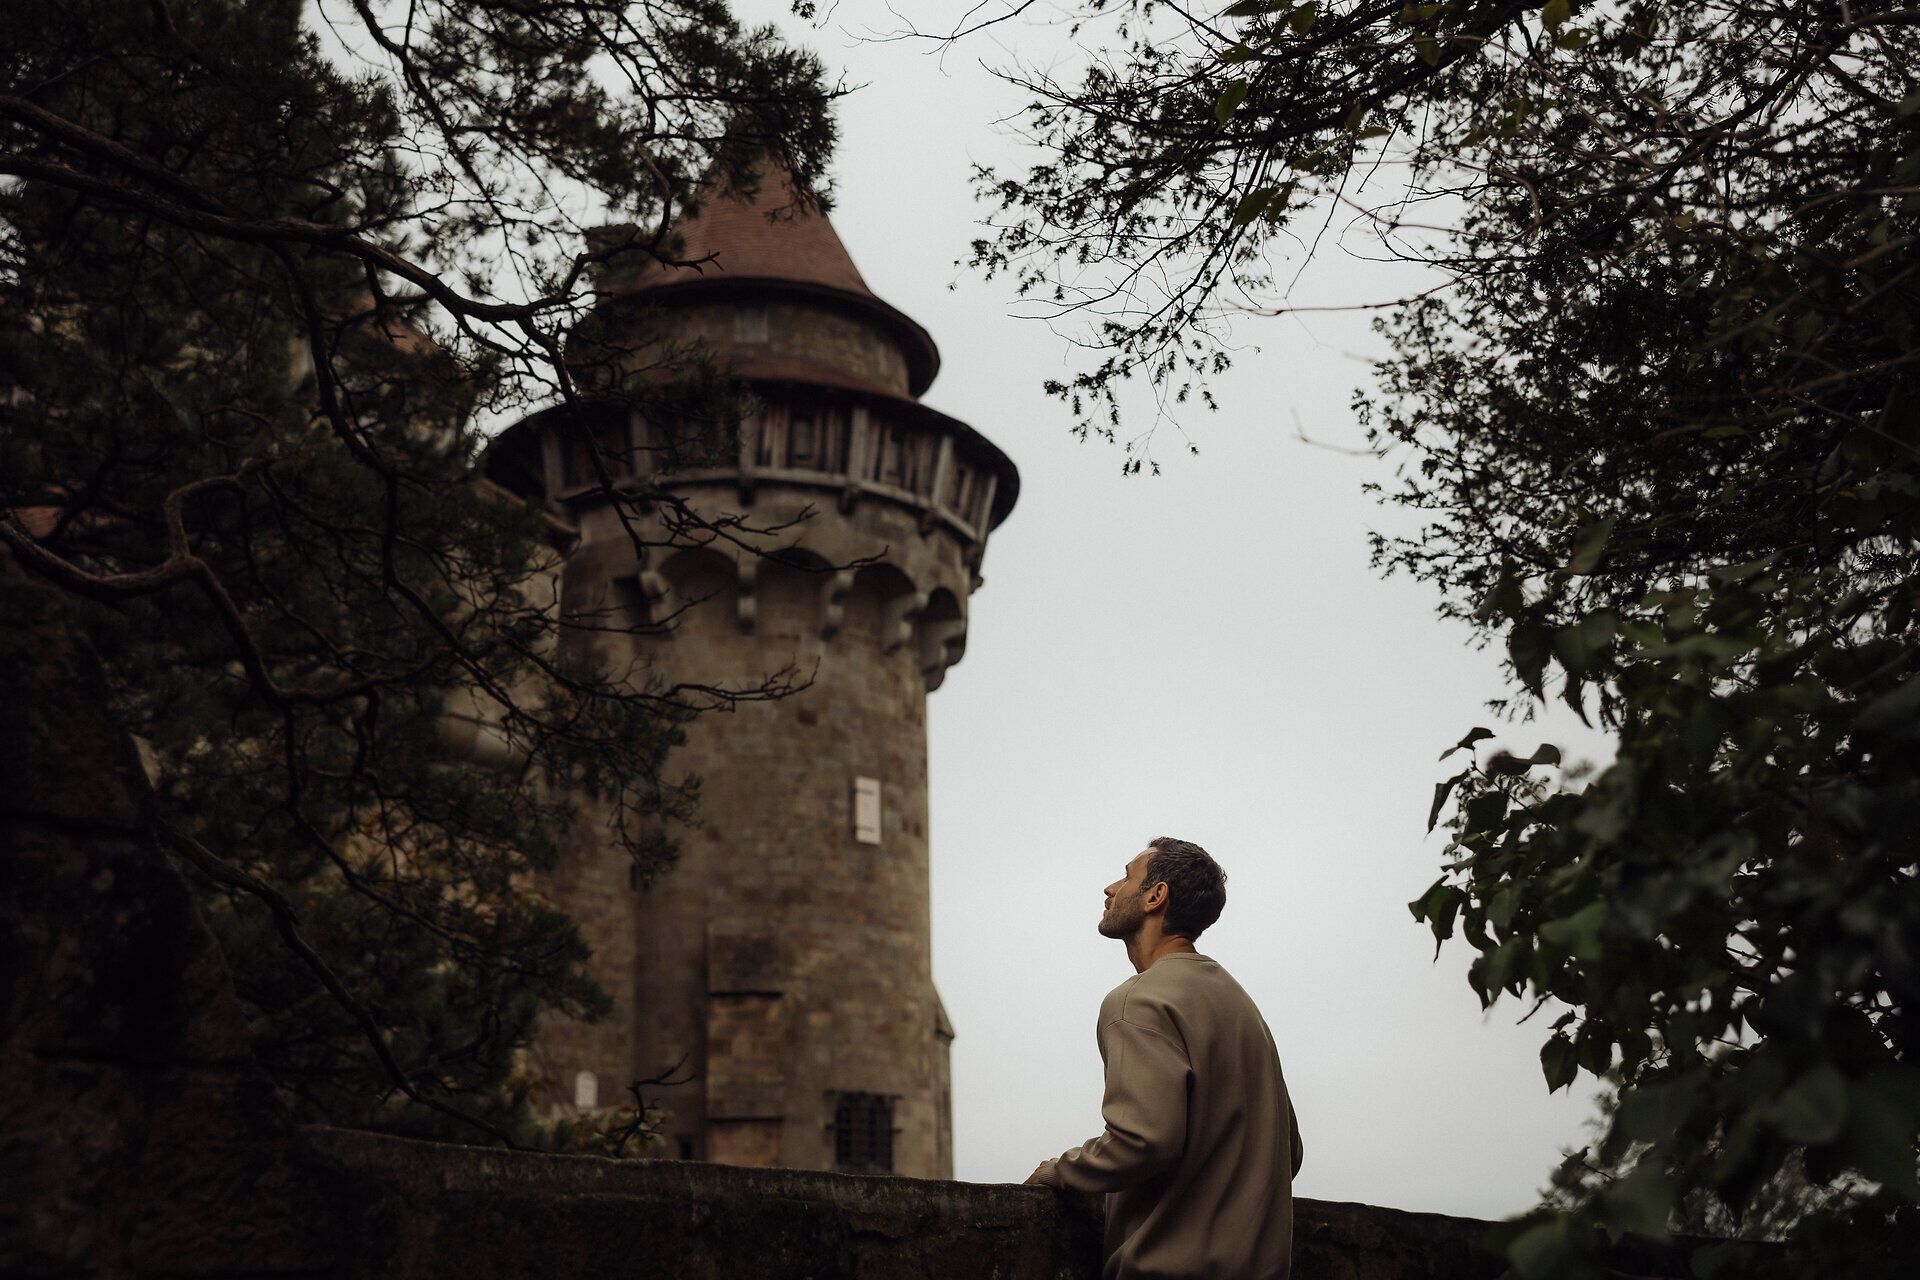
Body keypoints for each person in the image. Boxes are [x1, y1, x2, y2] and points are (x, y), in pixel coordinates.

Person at [1026, 837, 1303, 1280]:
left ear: (1156, 896)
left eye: (1127, 877)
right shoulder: (1241, 1006)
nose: (1110, 888)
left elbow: (1143, 1142)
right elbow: (1290, 1153)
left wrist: (1058, 1172)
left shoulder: (1138, 1000)